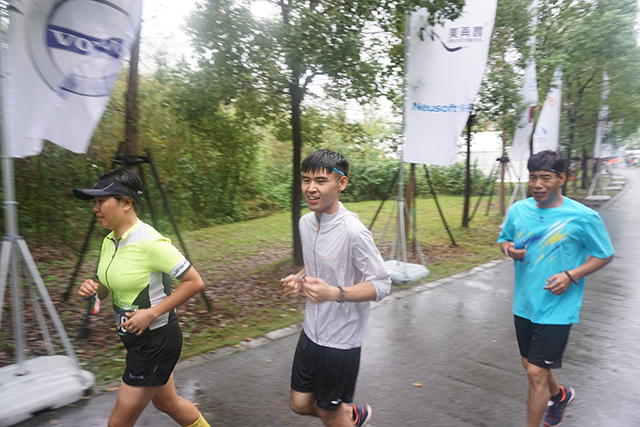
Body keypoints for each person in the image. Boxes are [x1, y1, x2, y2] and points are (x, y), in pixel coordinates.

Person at [74, 169, 210, 427]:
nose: (95, 208)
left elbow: (195, 282)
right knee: (167, 403)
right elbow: (106, 288)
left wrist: (151, 313)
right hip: (136, 340)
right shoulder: (109, 241)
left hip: (156, 342)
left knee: (118, 424)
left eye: (101, 201)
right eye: (94, 202)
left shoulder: (150, 242)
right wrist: (92, 289)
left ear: (126, 203)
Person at [497, 150, 614, 427]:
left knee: (536, 372)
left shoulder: (582, 216)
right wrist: (510, 250)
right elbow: (504, 239)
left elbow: (604, 254)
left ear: (561, 178)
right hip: (525, 303)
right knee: (530, 365)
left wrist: (571, 275)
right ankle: (560, 396)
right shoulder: (519, 210)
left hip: (558, 307)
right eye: (533, 177)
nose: (537, 184)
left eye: (546, 178)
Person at [281, 149, 391, 427]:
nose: (311, 188)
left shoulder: (354, 232)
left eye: (320, 181)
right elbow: (316, 263)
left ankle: (343, 417)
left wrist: (334, 293)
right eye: (306, 180)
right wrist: (298, 279)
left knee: (330, 413)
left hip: (340, 341)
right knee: (300, 404)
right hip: (311, 331)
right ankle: (351, 416)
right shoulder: (306, 223)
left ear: (341, 183)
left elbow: (381, 283)